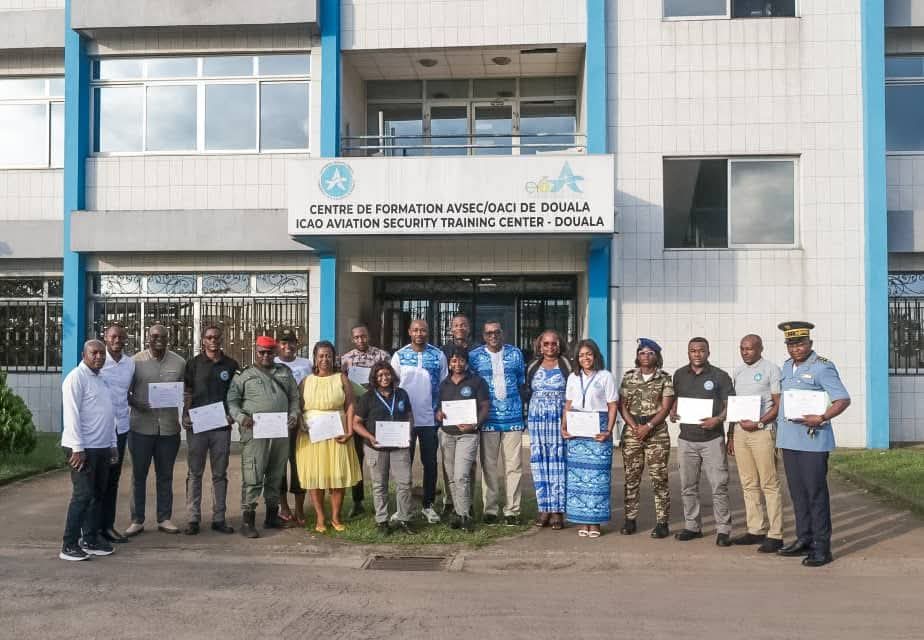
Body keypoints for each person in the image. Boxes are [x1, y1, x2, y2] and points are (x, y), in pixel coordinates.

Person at [775, 321, 851, 567]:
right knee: (797, 494)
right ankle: (804, 539)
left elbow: (842, 399)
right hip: (789, 440)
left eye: (800, 343)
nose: (795, 348)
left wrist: (823, 417)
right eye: (791, 344)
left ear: (810, 343)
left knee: (815, 494)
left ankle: (822, 547)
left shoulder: (822, 368)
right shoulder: (787, 367)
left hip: (813, 440)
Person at [227, 335, 300, 538]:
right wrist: (241, 418)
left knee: (276, 474)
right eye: (262, 352)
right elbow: (231, 401)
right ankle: (247, 520)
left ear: (275, 353)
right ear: (255, 351)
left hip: (280, 431)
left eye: (269, 352)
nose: (266, 356)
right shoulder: (243, 374)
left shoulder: (284, 372)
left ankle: (271, 516)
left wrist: (294, 415)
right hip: (254, 432)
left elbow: (295, 397)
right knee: (253, 474)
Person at [670, 337, 735, 546]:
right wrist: (673, 412)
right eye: (693, 351)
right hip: (686, 440)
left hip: (712, 440)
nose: (697, 354)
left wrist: (718, 419)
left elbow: (730, 405)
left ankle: (723, 529)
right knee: (687, 486)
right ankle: (692, 526)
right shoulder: (679, 375)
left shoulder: (720, 376)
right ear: (688, 353)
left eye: (701, 350)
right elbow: (675, 400)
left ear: (708, 352)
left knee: (719, 486)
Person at [59, 339, 118, 561]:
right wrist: (77, 447)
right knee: (82, 496)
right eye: (94, 353)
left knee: (97, 496)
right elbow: (71, 415)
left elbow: (109, 413)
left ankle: (90, 539)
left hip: (102, 447)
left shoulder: (102, 379)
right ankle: (69, 544)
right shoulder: (76, 378)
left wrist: (112, 443)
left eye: (102, 354)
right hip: (82, 448)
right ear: (84, 354)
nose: (99, 357)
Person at [295, 341, 362, 532]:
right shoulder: (306, 381)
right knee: (316, 477)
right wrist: (300, 422)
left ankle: (335, 517)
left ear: (334, 358)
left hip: (337, 434)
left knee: (337, 476)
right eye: (321, 356)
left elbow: (350, 404)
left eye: (328, 356)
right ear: (315, 359)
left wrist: (349, 430)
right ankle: (320, 518)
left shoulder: (341, 378)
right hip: (312, 436)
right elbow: (298, 406)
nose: (325, 359)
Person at [125, 324, 185, 536]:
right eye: (154, 336)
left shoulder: (179, 362)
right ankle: (137, 520)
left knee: (165, 476)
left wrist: (186, 412)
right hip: (141, 428)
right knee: (138, 476)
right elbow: (125, 392)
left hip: (169, 430)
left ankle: (164, 518)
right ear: (147, 338)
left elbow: (186, 392)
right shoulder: (135, 362)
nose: (159, 339)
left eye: (163, 336)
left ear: (169, 338)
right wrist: (136, 403)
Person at [727, 334, 784, 553]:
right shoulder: (738, 372)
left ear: (760, 348)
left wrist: (759, 422)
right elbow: (735, 407)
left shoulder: (771, 369)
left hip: (762, 432)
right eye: (742, 348)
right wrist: (731, 435)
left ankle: (775, 534)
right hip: (741, 433)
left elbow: (778, 405)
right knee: (748, 483)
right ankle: (756, 529)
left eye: (749, 349)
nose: (745, 352)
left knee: (769, 484)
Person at [181, 324, 239, 535]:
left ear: (221, 339)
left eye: (216, 337)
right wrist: (184, 415)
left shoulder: (231, 365)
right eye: (209, 337)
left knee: (219, 474)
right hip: (197, 426)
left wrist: (232, 415)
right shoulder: (193, 364)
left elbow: (236, 394)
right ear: (203, 340)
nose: (213, 340)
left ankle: (219, 518)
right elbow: (187, 391)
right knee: (194, 473)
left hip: (221, 427)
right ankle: (193, 518)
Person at [469, 321, 527, 526]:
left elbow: (521, 383)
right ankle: (491, 510)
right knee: (489, 466)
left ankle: (512, 510)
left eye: (497, 332)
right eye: (489, 333)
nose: (493, 336)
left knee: (514, 466)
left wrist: (523, 414)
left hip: (513, 419)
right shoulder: (474, 356)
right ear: (484, 336)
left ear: (503, 333)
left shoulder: (516, 354)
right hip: (488, 420)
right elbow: (471, 386)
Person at [391, 319, 448, 523]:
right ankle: (403, 506)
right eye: (415, 330)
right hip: (405, 420)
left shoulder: (438, 355)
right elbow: (392, 385)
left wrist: (441, 409)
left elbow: (444, 385)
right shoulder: (399, 356)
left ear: (428, 332)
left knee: (430, 463)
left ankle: (428, 504)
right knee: (403, 463)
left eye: (423, 330)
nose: (419, 333)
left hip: (430, 419)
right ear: (409, 332)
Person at [618, 338, 674, 539]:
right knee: (631, 478)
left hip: (656, 433)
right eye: (642, 352)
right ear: (637, 355)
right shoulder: (629, 377)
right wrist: (635, 427)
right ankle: (630, 519)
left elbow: (666, 407)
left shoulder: (664, 378)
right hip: (633, 433)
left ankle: (662, 522)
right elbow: (622, 405)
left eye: (650, 353)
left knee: (659, 478)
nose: (646, 356)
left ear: (657, 356)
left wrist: (648, 426)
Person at [562, 339, 618, 537]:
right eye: (581, 355)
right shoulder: (572, 377)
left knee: (597, 478)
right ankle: (581, 520)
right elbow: (568, 403)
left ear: (595, 356)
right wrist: (564, 425)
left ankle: (595, 523)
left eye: (589, 354)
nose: (585, 358)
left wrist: (609, 430)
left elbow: (612, 405)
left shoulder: (605, 376)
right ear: (577, 358)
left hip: (598, 429)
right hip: (577, 430)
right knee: (578, 478)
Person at [352, 360, 415, 535]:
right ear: (375, 378)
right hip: (375, 447)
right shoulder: (368, 397)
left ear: (392, 375)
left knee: (404, 482)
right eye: (380, 375)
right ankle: (382, 521)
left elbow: (410, 416)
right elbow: (356, 423)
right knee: (380, 485)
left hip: (399, 446)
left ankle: (404, 519)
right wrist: (370, 437)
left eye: (387, 374)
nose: (384, 377)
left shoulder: (401, 394)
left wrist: (407, 432)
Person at [435, 346, 491, 532]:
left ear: (466, 362)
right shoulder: (444, 384)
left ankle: (466, 515)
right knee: (451, 478)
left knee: (461, 476)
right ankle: (459, 513)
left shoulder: (477, 382)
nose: (457, 364)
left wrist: (475, 424)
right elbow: (440, 408)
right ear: (449, 363)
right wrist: (439, 414)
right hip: (447, 434)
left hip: (468, 435)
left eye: (460, 360)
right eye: (453, 360)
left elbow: (484, 407)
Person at [340, 323, 391, 518]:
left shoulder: (381, 356)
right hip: (356, 414)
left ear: (369, 336)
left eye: (364, 336)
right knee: (356, 458)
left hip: (377, 414)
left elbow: (390, 380)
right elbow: (342, 386)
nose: (361, 340)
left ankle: (382, 498)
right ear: (352, 339)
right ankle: (357, 500)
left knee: (380, 458)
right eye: (357, 337)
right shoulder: (345, 360)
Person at [522, 329, 571, 530]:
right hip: (537, 420)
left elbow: (573, 392)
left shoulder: (567, 365)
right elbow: (527, 390)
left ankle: (558, 510)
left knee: (559, 463)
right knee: (540, 463)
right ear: (539, 346)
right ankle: (544, 507)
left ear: (559, 345)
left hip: (560, 420)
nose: (550, 347)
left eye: (554, 343)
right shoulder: (533, 366)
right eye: (546, 344)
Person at [98, 323, 135, 544]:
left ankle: (107, 527)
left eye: (121, 336)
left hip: (121, 429)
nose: (117, 340)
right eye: (113, 336)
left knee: (113, 480)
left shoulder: (130, 364)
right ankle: (92, 529)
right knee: (97, 481)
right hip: (100, 430)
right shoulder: (98, 362)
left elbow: (127, 393)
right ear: (105, 337)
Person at [274, 328, 312, 527]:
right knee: (280, 465)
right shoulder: (272, 364)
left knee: (300, 465)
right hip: (279, 422)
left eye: (291, 342)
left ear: (297, 345)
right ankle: (284, 507)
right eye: (283, 342)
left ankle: (299, 507)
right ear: (277, 345)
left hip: (302, 422)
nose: (287, 346)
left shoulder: (306, 364)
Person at [439, 313, 473, 516]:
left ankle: (467, 504)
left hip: (469, 415)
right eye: (456, 325)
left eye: (463, 324)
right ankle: (449, 502)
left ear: (468, 328)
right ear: (451, 329)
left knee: (468, 466)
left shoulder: (476, 350)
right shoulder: (443, 351)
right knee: (449, 465)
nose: (460, 328)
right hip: (449, 416)